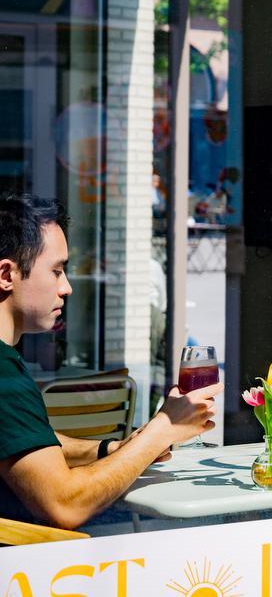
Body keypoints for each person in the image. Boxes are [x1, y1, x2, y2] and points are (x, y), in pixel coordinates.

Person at [0, 194, 219, 529]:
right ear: (6, 274)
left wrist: (114, 447)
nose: (67, 288)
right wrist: (162, 430)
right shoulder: (4, 378)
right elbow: (65, 505)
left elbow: (30, 442)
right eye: (57, 271)